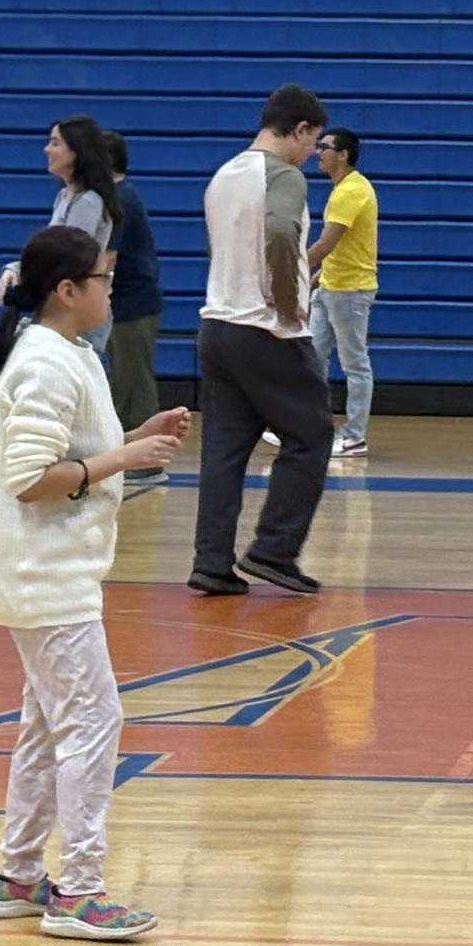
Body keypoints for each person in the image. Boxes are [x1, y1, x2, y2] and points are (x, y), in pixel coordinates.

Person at [0, 225, 187, 940]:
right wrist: (122, 458)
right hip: (45, 574)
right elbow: (32, 477)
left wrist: (130, 438)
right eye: (101, 278)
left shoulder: (67, 353)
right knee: (94, 721)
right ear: (67, 291)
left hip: (47, 572)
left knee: (47, 724)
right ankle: (80, 890)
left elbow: (73, 449)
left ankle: (20, 873)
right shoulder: (44, 363)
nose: (110, 289)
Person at [189, 84, 332, 598]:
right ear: (298, 129)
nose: (312, 152)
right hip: (266, 329)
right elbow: (276, 231)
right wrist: (288, 299)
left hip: (217, 325)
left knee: (224, 450)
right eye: (313, 140)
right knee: (312, 435)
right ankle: (273, 550)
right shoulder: (285, 174)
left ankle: (211, 563)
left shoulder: (224, 174)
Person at [0, 116, 121, 356]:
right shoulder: (65, 196)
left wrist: (19, 270)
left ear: (76, 151)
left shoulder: (88, 201)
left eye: (55, 143)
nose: (47, 149)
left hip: (78, 313)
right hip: (67, 309)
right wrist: (15, 268)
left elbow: (66, 259)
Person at [308, 127, 380, 458]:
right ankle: (308, 427)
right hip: (330, 288)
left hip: (350, 292)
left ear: (343, 154)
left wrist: (289, 271)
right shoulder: (342, 189)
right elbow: (338, 251)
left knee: (355, 364)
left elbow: (326, 244)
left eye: (324, 147)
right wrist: (314, 280)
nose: (317, 152)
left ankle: (354, 436)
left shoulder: (350, 191)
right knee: (310, 359)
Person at [100, 130, 166, 482]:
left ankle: (147, 461)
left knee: (133, 382)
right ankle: (129, 454)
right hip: (125, 305)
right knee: (123, 380)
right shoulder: (117, 195)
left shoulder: (118, 198)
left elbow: (106, 259)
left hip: (131, 305)